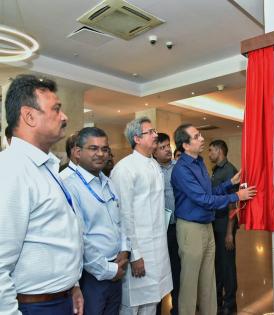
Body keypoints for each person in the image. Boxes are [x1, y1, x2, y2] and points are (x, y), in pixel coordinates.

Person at [0, 74, 83, 315]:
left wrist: (72, 286)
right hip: (33, 306)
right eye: (56, 109)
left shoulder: (47, 167)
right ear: (29, 116)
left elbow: (57, 237)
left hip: (60, 299)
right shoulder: (11, 169)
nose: (65, 117)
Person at [171, 124, 257, 315]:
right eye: (196, 136)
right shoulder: (181, 169)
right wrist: (236, 196)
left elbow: (209, 192)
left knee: (208, 281)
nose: (202, 139)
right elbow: (203, 200)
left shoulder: (200, 162)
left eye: (200, 135)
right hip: (190, 229)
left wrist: (230, 184)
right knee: (189, 283)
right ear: (185, 145)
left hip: (206, 226)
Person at [64, 127, 129, 314]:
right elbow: (79, 238)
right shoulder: (69, 186)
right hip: (91, 276)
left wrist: (124, 250)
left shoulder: (109, 183)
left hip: (117, 268)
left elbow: (121, 220)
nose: (101, 154)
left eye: (105, 149)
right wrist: (109, 270)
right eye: (93, 148)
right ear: (77, 152)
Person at [111, 117, 172, 315]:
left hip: (158, 248)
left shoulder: (154, 164)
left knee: (152, 302)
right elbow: (124, 215)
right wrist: (135, 255)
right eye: (151, 132)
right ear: (137, 138)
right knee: (133, 304)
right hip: (139, 250)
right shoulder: (125, 168)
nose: (156, 135)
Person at [208, 140, 239, 315]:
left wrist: (229, 233)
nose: (209, 154)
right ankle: (218, 299)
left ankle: (230, 302)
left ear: (219, 151)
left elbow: (233, 205)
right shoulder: (216, 170)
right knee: (217, 264)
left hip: (224, 226)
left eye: (211, 150)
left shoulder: (229, 171)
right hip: (214, 224)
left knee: (227, 265)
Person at [153, 133, 180, 315]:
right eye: (162, 148)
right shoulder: (151, 169)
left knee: (177, 270)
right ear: (154, 152)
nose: (167, 150)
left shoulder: (178, 168)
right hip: (157, 230)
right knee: (158, 272)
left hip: (177, 226)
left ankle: (177, 308)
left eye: (167, 146)